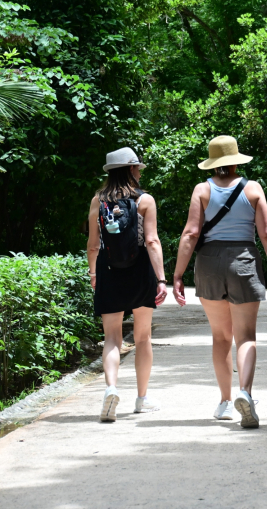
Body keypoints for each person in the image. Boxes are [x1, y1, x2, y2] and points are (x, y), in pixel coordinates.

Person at [173, 136, 267, 429]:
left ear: (213, 163)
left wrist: (177, 274)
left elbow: (191, 233)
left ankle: (224, 402)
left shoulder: (202, 189)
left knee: (221, 337)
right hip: (244, 259)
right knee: (245, 336)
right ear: (235, 161)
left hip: (208, 262)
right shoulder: (253, 188)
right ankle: (244, 393)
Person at [87, 147, 168, 422]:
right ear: (132, 169)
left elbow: (92, 245)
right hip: (140, 271)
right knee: (143, 338)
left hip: (108, 271)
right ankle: (142, 399)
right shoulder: (145, 200)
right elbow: (152, 241)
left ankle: (111, 389)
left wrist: (94, 275)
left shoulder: (98, 200)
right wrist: (161, 279)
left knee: (112, 338)